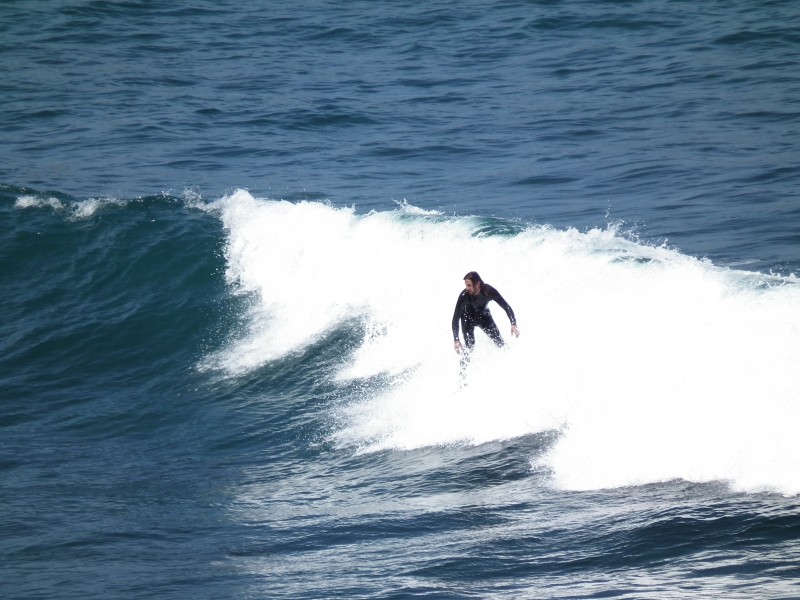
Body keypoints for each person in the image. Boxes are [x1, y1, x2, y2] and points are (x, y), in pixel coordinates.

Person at [452, 271, 519, 356]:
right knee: (469, 348)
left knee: (500, 343)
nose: (466, 288)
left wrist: (513, 323)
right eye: (466, 285)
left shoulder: (488, 291)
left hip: (483, 316)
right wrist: (456, 340)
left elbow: (506, 306)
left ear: (478, 284)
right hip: (467, 319)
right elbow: (455, 318)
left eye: (469, 285)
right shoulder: (464, 296)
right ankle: (462, 369)